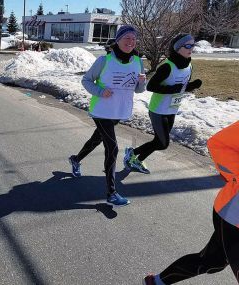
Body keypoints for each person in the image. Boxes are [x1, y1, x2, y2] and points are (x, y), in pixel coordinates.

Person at [143, 120, 239, 285]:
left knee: (212, 262)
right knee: (211, 261)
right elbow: (219, 144)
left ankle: (157, 282)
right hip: (234, 215)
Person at [68, 25, 146, 207]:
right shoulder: (104, 60)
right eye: (126, 38)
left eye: (133, 39)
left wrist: (142, 82)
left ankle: (75, 159)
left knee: (97, 139)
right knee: (112, 147)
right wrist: (100, 91)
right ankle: (111, 193)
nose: (130, 42)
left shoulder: (138, 61)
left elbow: (139, 89)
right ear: (118, 40)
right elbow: (86, 80)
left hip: (119, 111)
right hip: (101, 110)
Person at [123, 34, 202, 174]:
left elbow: (181, 87)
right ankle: (132, 153)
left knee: (158, 141)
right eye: (187, 46)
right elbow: (151, 86)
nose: (191, 48)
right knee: (163, 143)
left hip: (172, 109)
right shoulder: (167, 66)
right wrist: (174, 89)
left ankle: (135, 159)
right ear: (178, 48)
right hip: (158, 110)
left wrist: (191, 86)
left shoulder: (189, 65)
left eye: (193, 45)